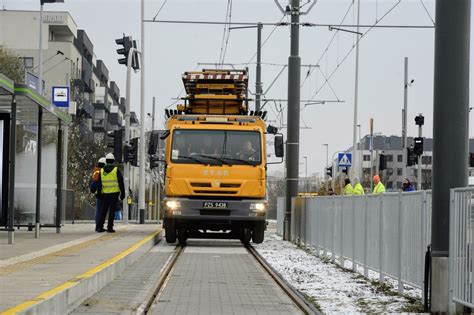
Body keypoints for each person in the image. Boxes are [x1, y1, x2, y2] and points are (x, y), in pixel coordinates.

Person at [96, 153, 125, 233]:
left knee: (103, 210)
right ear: (113, 161)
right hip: (114, 193)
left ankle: (99, 226)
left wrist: (99, 194)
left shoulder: (102, 171)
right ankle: (110, 227)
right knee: (112, 211)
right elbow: (121, 182)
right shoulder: (116, 170)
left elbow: (99, 184)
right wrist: (123, 193)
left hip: (105, 193)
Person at [90, 157, 106, 226]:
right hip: (101, 193)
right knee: (100, 211)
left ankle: (99, 225)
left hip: (98, 193)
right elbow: (95, 183)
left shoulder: (96, 171)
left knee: (99, 210)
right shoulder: (99, 172)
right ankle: (99, 225)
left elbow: (93, 184)